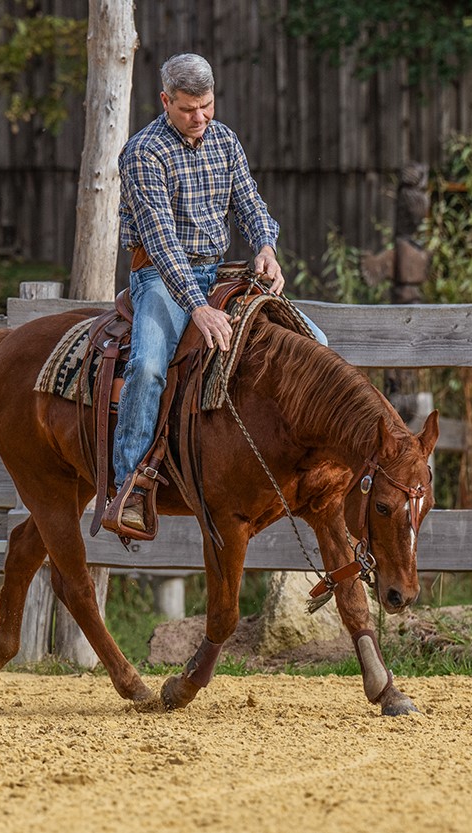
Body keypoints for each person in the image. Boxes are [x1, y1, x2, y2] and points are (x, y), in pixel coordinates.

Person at [108, 52, 325, 533]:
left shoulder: (224, 139)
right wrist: (197, 307)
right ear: (166, 101)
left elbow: (249, 202)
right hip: (161, 278)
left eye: (207, 105)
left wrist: (267, 247)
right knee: (146, 366)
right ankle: (130, 485)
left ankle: (300, 462)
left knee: (316, 343)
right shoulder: (143, 153)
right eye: (188, 108)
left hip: (220, 272)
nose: (201, 117)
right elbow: (161, 240)